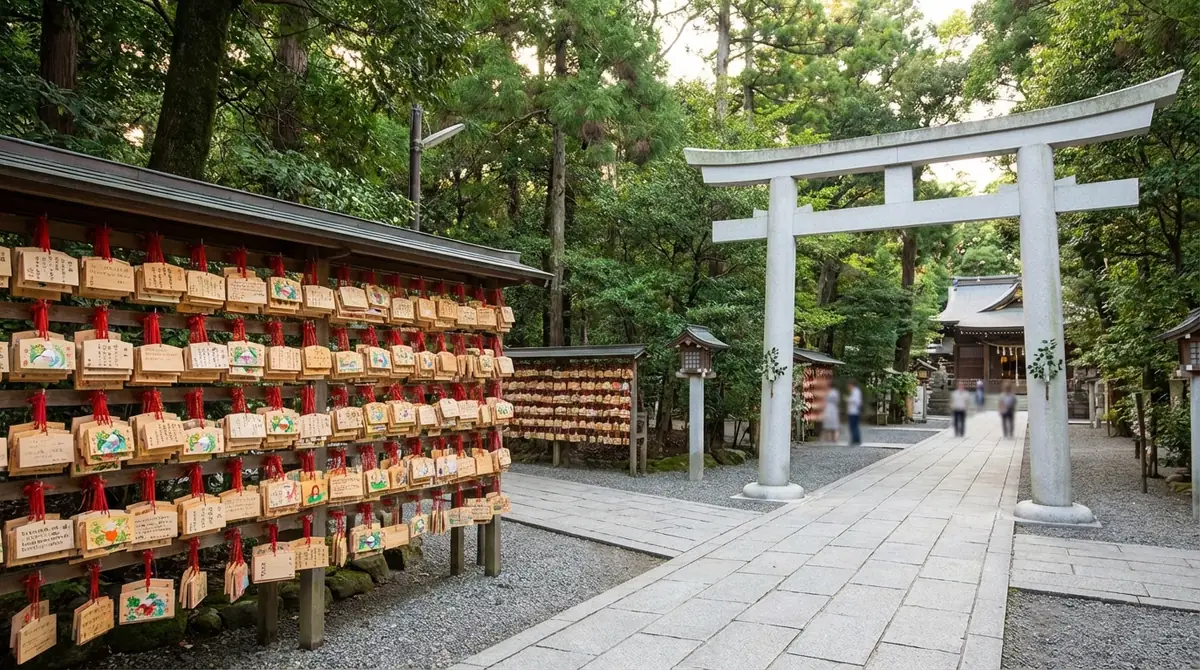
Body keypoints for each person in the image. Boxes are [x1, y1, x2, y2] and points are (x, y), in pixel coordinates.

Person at [846, 380, 863, 446]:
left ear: (851, 385)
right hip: (853, 411)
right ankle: (856, 439)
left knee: (853, 426)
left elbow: (856, 401)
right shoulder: (855, 391)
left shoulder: (855, 391)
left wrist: (848, 400)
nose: (848, 387)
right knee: (854, 426)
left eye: (849, 385)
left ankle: (855, 440)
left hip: (854, 411)